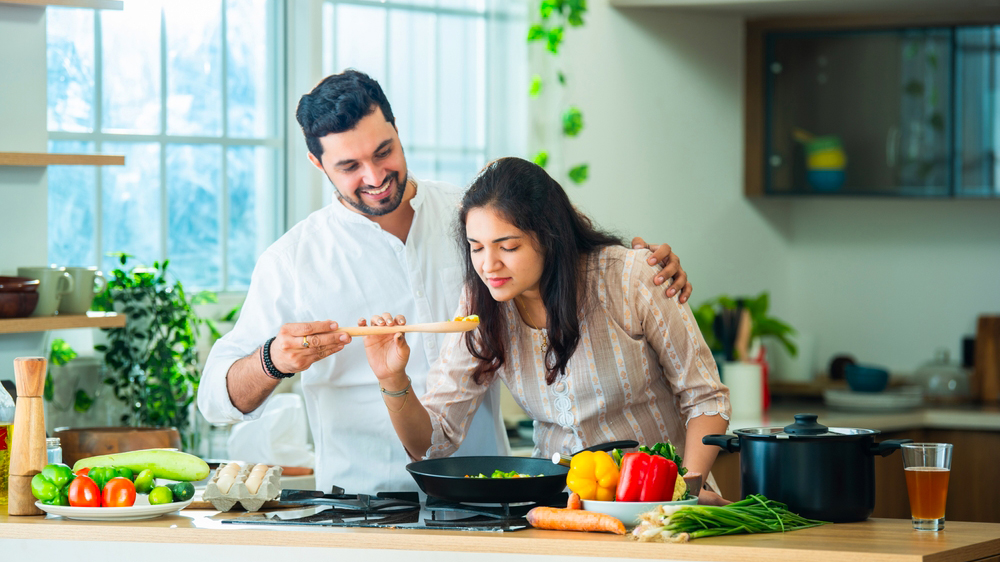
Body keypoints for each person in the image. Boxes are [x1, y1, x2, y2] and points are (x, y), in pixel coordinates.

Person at [197, 70, 695, 495]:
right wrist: (274, 360)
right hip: (361, 504)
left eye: (384, 150)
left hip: (490, 493)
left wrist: (650, 269)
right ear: (317, 165)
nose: (374, 175)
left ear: (396, 129)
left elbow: (573, 251)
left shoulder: (474, 218)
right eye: (349, 166)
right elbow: (216, 401)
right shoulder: (293, 260)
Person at [363, 156, 731, 504]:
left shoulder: (630, 277)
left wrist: (686, 489)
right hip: (559, 509)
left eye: (507, 246)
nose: (488, 265)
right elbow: (434, 441)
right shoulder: (481, 306)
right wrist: (393, 378)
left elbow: (705, 398)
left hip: (662, 502)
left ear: (550, 236)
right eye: (476, 248)